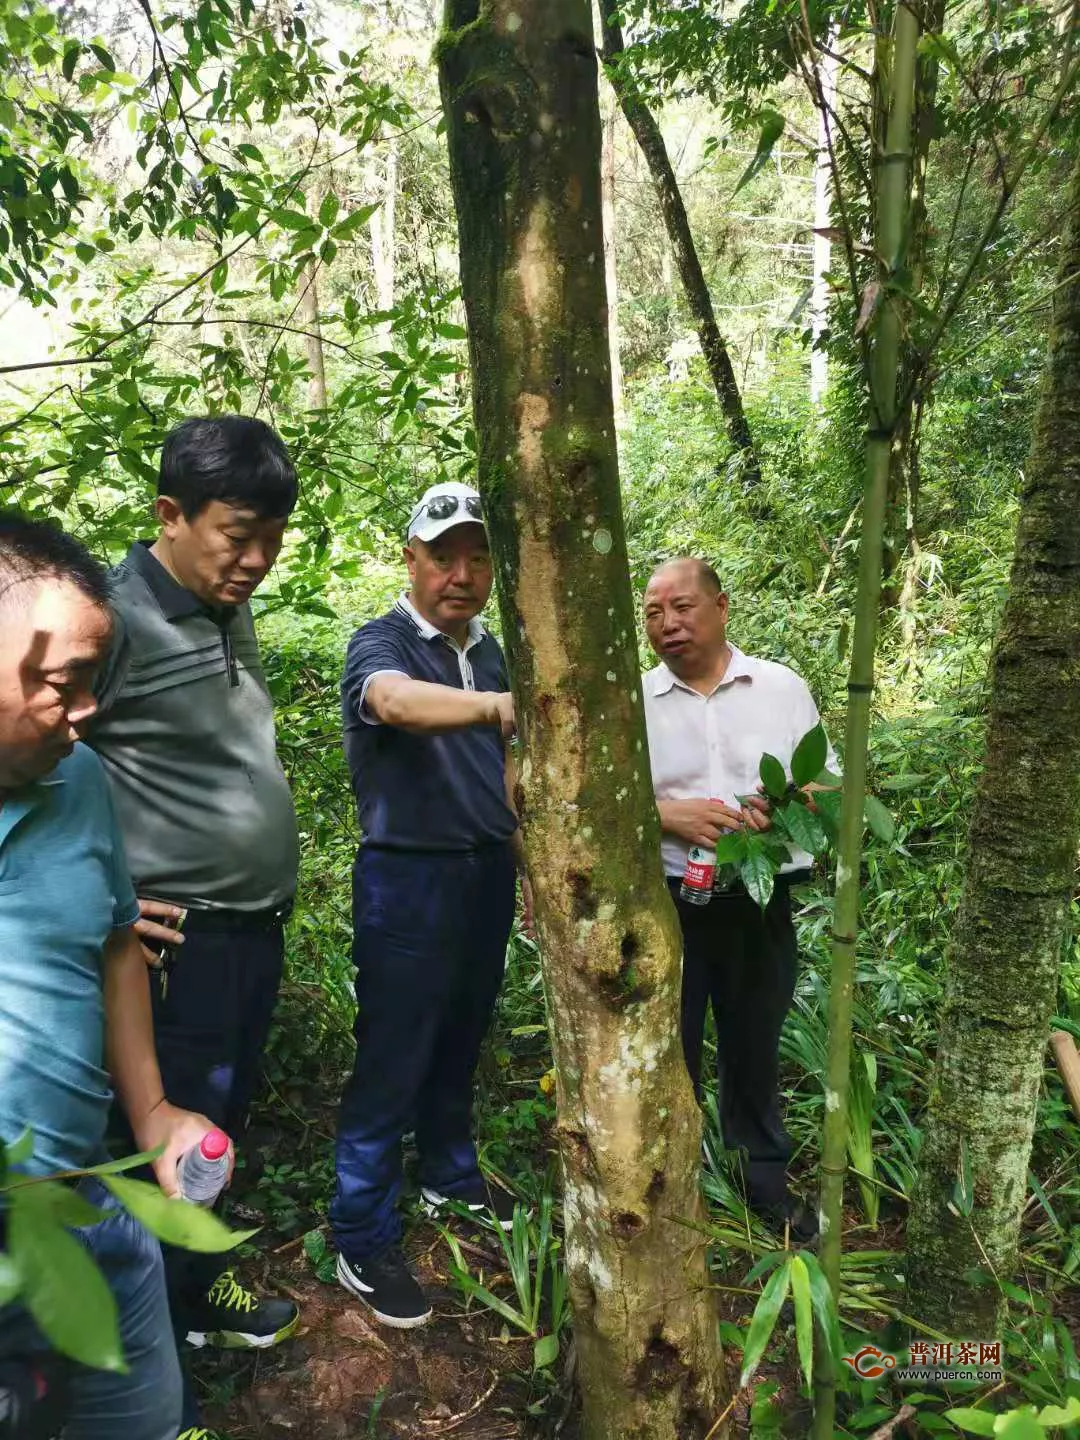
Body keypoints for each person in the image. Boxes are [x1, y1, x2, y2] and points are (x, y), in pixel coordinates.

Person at [88, 416, 302, 1431]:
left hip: (249, 933)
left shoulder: (224, 605)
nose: (257, 560)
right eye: (238, 534)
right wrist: (110, 891)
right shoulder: (110, 620)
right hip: (175, 958)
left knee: (215, 1137)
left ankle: (193, 1293)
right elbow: (38, 761)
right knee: (161, 1145)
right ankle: (152, 1364)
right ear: (169, 514)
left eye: (273, 537)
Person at [0, 513, 222, 1440]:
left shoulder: (78, 779)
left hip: (91, 1211)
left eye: (95, 681)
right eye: (63, 684)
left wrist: (155, 1113)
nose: (86, 710)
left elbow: (115, 941)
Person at [332, 480, 528, 1329]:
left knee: (460, 1038)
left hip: (484, 874)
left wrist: (523, 870)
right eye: (443, 555)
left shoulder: (491, 653)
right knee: (392, 1056)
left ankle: (451, 1174)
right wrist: (495, 708)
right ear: (411, 559)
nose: (461, 573)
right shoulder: (382, 643)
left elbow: (508, 778)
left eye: (478, 557)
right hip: (407, 880)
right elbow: (391, 703)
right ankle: (360, 1233)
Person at [642, 557, 836, 1243]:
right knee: (673, 1049)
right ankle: (674, 1189)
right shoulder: (635, 700)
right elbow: (607, 797)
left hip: (759, 897)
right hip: (669, 901)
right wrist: (669, 814)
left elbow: (829, 783)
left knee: (754, 1040)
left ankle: (764, 1186)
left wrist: (778, 803)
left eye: (683, 607)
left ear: (721, 607)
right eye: (654, 612)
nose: (668, 623)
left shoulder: (779, 687)